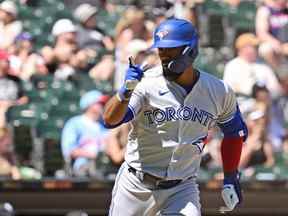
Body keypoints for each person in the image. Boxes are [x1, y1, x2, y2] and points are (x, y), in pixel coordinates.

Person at [103, 18, 248, 215]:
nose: (164, 55)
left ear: (191, 50)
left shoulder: (218, 90)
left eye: (171, 49)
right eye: (161, 49)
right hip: (136, 185)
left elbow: (234, 133)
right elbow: (111, 120)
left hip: (181, 189)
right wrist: (124, 92)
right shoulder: (146, 83)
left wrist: (231, 176)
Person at [223, 33, 281, 98]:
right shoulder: (232, 66)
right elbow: (228, 89)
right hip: (242, 102)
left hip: (266, 102)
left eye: (256, 47)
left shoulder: (263, 66)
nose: (254, 49)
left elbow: (276, 88)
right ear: (241, 48)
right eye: (251, 46)